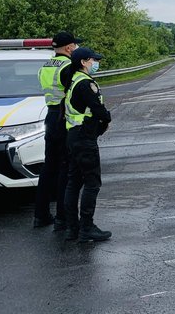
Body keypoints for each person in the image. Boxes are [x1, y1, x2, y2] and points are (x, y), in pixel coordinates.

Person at [33, 31, 82, 230]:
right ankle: (63, 217)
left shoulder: (45, 66)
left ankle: (41, 215)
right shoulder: (68, 66)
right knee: (65, 167)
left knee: (48, 167)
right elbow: (74, 91)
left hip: (50, 116)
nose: (76, 49)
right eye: (75, 46)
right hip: (63, 117)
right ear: (69, 48)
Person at [64, 47, 113, 242]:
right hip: (85, 138)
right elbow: (98, 109)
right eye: (93, 60)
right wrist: (107, 118)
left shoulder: (72, 80)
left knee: (74, 182)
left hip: (74, 137)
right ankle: (87, 227)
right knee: (92, 183)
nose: (95, 63)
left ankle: (72, 228)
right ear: (84, 62)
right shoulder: (85, 84)